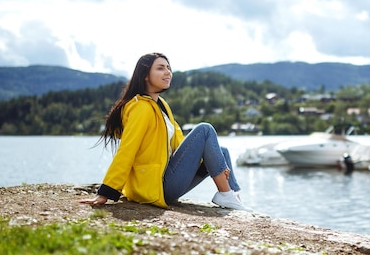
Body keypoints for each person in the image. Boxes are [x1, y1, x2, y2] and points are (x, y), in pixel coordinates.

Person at [80, 52, 249, 211]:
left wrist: (216, 164)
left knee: (222, 152)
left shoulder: (162, 106)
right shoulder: (141, 108)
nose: (168, 72)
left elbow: (180, 146)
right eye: (160, 68)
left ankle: (234, 199)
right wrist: (107, 191)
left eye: (168, 68)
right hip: (157, 186)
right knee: (204, 129)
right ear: (145, 75)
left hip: (169, 177)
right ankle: (226, 195)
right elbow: (127, 150)